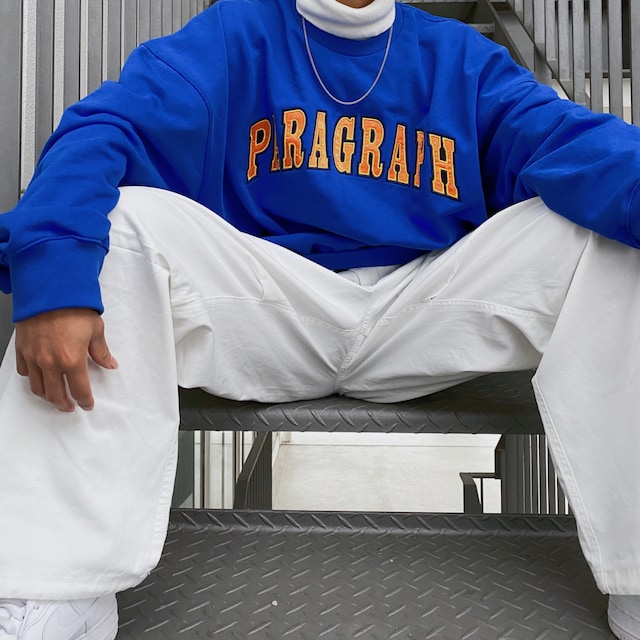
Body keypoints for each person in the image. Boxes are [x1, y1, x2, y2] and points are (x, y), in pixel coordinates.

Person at [1, 0, 640, 637]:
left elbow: (574, 143)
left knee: (601, 232)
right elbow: (107, 125)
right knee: (124, 221)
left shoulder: (463, 58)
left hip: (423, 308)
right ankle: (55, 585)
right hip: (272, 305)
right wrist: (54, 276)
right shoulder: (234, 33)